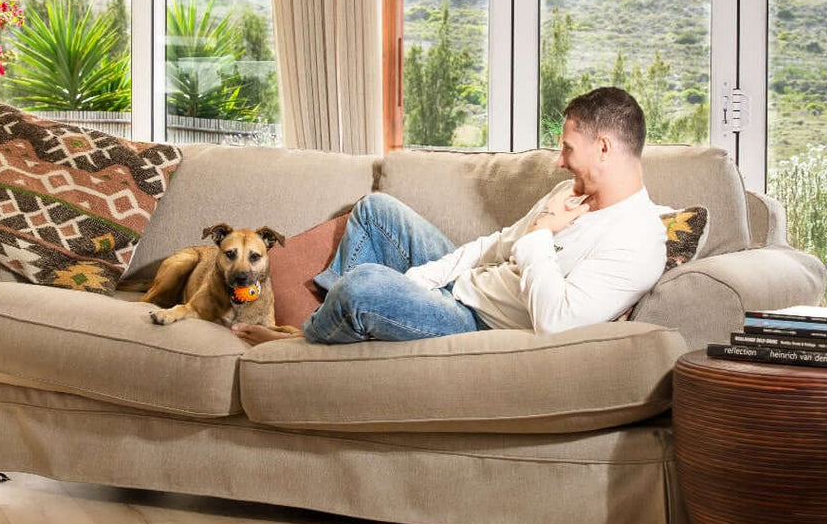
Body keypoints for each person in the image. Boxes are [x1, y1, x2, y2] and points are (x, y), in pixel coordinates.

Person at [231, 86, 669, 346]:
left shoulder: (638, 242)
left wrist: (539, 237)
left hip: (475, 323)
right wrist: (422, 281)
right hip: (459, 291)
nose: (559, 161)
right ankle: (338, 320)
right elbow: (495, 245)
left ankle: (304, 341)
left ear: (605, 148)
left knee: (362, 285)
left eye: (569, 149)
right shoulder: (570, 192)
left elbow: (555, 324)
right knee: (375, 210)